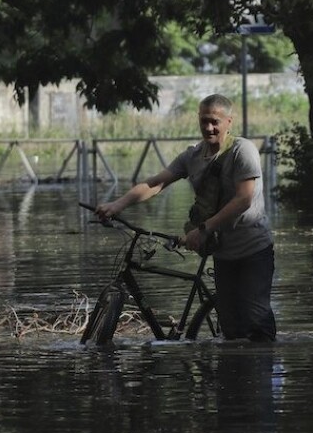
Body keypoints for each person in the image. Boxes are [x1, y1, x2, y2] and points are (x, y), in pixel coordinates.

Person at [95, 94, 276, 341]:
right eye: (203, 121)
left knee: (257, 322)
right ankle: (234, 376)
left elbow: (244, 199)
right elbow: (155, 183)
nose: (208, 128)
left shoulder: (242, 151)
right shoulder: (191, 157)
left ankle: (265, 368)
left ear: (229, 121)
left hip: (253, 250)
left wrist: (203, 229)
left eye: (214, 121)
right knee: (232, 329)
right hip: (222, 253)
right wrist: (117, 205)